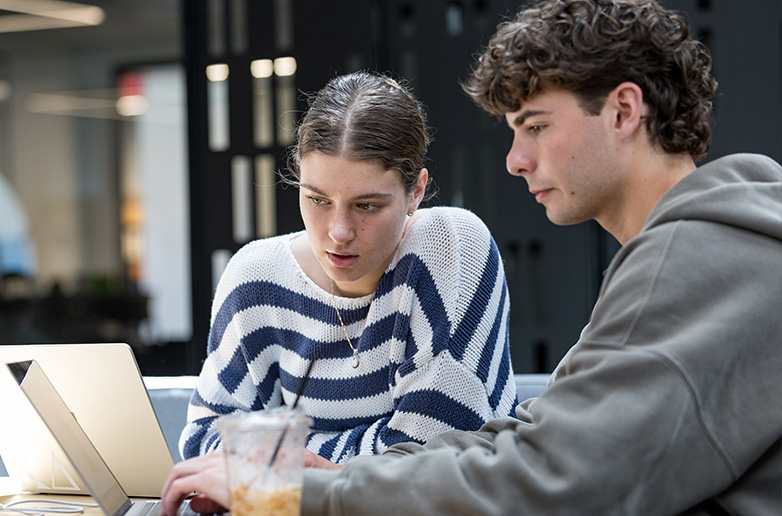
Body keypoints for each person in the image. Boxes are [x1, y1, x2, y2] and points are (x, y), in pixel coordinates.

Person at [162, 1, 782, 514]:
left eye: (535, 127)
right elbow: (536, 439)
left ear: (623, 111)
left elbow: (553, 479)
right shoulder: (693, 252)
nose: (516, 160)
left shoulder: (703, 261)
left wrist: (302, 493)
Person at [179, 71, 519, 467]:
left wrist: (287, 456)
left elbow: (433, 453)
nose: (339, 233)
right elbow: (204, 440)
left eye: (367, 206)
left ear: (417, 192)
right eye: (318, 199)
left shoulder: (448, 244)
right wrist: (344, 461)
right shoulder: (256, 279)